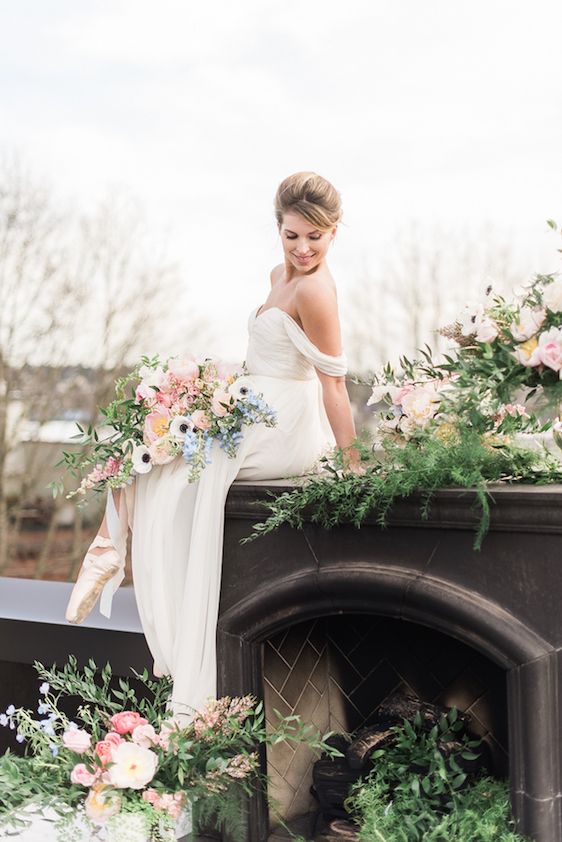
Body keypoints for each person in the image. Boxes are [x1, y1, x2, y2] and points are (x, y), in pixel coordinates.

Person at [65, 171, 363, 721]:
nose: (301, 249)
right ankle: (108, 545)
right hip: (253, 402)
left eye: (314, 237)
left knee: (176, 464)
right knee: (159, 428)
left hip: (285, 422)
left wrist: (351, 463)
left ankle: (111, 548)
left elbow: (334, 383)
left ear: (335, 232)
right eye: (292, 235)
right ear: (278, 227)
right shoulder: (279, 274)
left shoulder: (316, 290)